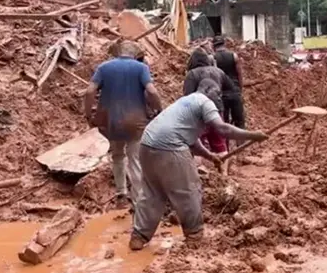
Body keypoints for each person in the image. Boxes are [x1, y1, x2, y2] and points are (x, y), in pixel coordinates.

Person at [129, 79, 268, 250]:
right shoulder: (205, 102)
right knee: (188, 189)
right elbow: (222, 129)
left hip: (146, 144)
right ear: (211, 92)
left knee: (152, 193)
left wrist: (210, 156)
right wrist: (253, 135)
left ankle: (139, 236)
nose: (218, 100)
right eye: (218, 95)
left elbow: (192, 141)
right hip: (170, 147)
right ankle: (194, 235)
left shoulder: (186, 101)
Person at [85, 41, 163, 209]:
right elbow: (151, 91)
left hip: (110, 120)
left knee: (118, 156)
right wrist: (159, 109)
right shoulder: (141, 68)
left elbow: (90, 91)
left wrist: (88, 114)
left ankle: (121, 194)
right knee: (135, 159)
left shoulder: (104, 67)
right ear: (134, 54)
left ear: (117, 52)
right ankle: (138, 202)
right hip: (135, 121)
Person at [183, 49, 237, 157]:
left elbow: (187, 97)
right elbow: (231, 88)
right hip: (216, 110)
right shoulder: (218, 71)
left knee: (198, 144)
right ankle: (223, 171)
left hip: (199, 113)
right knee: (219, 143)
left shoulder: (192, 74)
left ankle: (200, 170)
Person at [212, 36, 246, 136]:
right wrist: (240, 89)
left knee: (224, 122)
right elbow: (239, 74)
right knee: (239, 120)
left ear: (214, 46)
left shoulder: (213, 58)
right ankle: (241, 144)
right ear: (224, 44)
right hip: (235, 91)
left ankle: (226, 148)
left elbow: (213, 76)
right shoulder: (233, 56)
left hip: (221, 93)